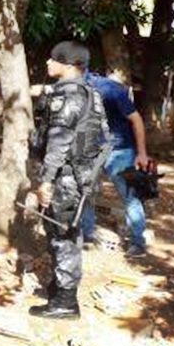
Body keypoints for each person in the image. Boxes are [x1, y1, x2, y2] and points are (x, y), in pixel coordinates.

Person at [28, 41, 109, 320]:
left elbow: (59, 144)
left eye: (53, 59)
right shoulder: (88, 93)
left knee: (63, 236)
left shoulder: (69, 97)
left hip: (66, 178)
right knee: (62, 233)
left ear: (69, 65)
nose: (48, 63)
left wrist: (46, 181)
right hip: (82, 176)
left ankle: (65, 302)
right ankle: (58, 288)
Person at [81, 70, 150, 258]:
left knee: (129, 197)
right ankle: (86, 236)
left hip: (119, 150)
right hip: (90, 150)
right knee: (86, 193)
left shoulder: (110, 89)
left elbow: (136, 120)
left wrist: (141, 153)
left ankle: (138, 243)